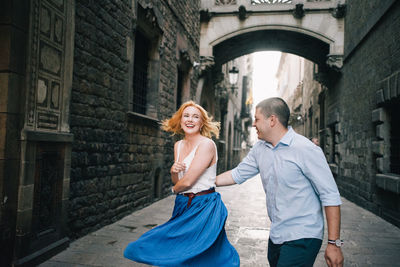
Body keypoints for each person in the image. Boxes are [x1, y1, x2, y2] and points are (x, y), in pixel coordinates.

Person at [216, 97, 344, 267]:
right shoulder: (260, 149)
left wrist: (334, 244)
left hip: (304, 235)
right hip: (276, 235)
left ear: (272, 120)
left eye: (257, 119)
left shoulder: (305, 149)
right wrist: (203, 182)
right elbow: (237, 174)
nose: (253, 124)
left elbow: (330, 195)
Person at [124, 100, 240, 266]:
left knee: (200, 256)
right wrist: (173, 172)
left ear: (201, 123)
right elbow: (179, 181)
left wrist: (173, 189)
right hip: (183, 204)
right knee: (175, 251)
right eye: (186, 116)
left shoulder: (206, 145)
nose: (190, 120)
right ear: (180, 120)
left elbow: (187, 182)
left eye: (195, 117)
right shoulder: (178, 145)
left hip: (203, 205)